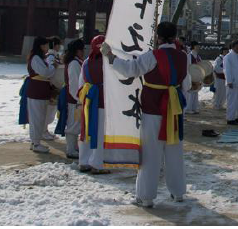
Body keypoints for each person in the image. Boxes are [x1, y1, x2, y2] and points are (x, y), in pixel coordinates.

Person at [106, 21, 191, 208]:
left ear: (157, 37)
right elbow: (187, 84)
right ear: (175, 36)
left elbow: (131, 70)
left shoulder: (152, 56)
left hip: (153, 109)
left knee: (151, 152)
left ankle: (146, 196)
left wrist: (111, 58)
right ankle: (178, 193)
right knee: (174, 151)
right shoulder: (184, 57)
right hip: (174, 109)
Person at [76, 34, 114, 174]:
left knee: (86, 130)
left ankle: (83, 161)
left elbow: (81, 82)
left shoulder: (86, 61)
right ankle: (97, 164)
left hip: (88, 99)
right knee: (100, 132)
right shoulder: (108, 62)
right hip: (103, 99)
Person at [24, 37, 55, 153]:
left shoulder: (39, 57)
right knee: (37, 118)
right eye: (46, 45)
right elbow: (46, 73)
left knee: (39, 117)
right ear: (41, 46)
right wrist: (53, 66)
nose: (47, 47)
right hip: (37, 91)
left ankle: (35, 142)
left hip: (39, 91)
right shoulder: (36, 58)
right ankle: (36, 143)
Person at [57, 39, 85, 159]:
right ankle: (70, 149)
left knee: (76, 123)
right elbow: (74, 84)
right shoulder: (74, 63)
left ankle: (74, 147)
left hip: (76, 97)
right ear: (78, 50)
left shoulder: (75, 62)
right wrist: (79, 99)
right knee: (73, 124)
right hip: (74, 99)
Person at [224, 40, 238, 125]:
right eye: (237, 47)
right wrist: (229, 81)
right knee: (232, 101)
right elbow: (227, 70)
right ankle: (230, 118)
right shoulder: (228, 57)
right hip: (232, 82)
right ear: (233, 47)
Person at [186, 41, 201, 114]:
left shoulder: (198, 56)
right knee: (191, 93)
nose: (198, 47)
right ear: (193, 46)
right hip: (191, 76)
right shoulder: (189, 56)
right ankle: (188, 109)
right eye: (197, 46)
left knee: (196, 93)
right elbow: (187, 67)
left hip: (197, 76)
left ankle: (194, 108)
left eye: (198, 46)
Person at [213, 45, 228, 110]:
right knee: (219, 92)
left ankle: (221, 104)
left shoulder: (227, 58)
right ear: (222, 51)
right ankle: (216, 104)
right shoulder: (219, 59)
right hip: (219, 78)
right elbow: (216, 68)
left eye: (227, 51)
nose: (226, 52)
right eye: (225, 51)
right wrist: (225, 71)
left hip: (225, 78)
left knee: (224, 92)